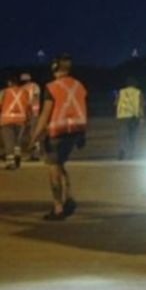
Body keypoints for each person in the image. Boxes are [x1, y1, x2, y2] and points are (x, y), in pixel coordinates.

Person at [29, 54, 89, 220]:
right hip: (75, 130)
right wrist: (83, 133)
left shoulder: (52, 87)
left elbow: (44, 116)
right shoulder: (79, 86)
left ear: (55, 67)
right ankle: (69, 198)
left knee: (53, 167)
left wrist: (34, 137)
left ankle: (58, 207)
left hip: (58, 132)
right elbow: (83, 109)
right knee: (60, 163)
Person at [2, 76, 32, 169]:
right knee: (17, 142)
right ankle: (17, 159)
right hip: (21, 120)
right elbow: (28, 106)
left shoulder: (4, 92)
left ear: (10, 83)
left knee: (9, 141)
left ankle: (10, 163)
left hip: (7, 120)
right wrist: (28, 118)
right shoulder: (25, 92)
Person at [115, 78, 145, 160]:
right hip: (133, 116)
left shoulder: (121, 92)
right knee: (133, 136)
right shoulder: (138, 92)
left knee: (123, 136)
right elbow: (141, 105)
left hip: (122, 116)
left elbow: (116, 103)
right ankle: (131, 154)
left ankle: (122, 150)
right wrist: (142, 117)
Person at [19, 73, 42, 161]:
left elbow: (34, 98)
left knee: (25, 135)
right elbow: (36, 98)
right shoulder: (35, 86)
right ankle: (34, 154)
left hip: (29, 113)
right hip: (32, 113)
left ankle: (33, 154)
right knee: (33, 135)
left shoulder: (23, 88)